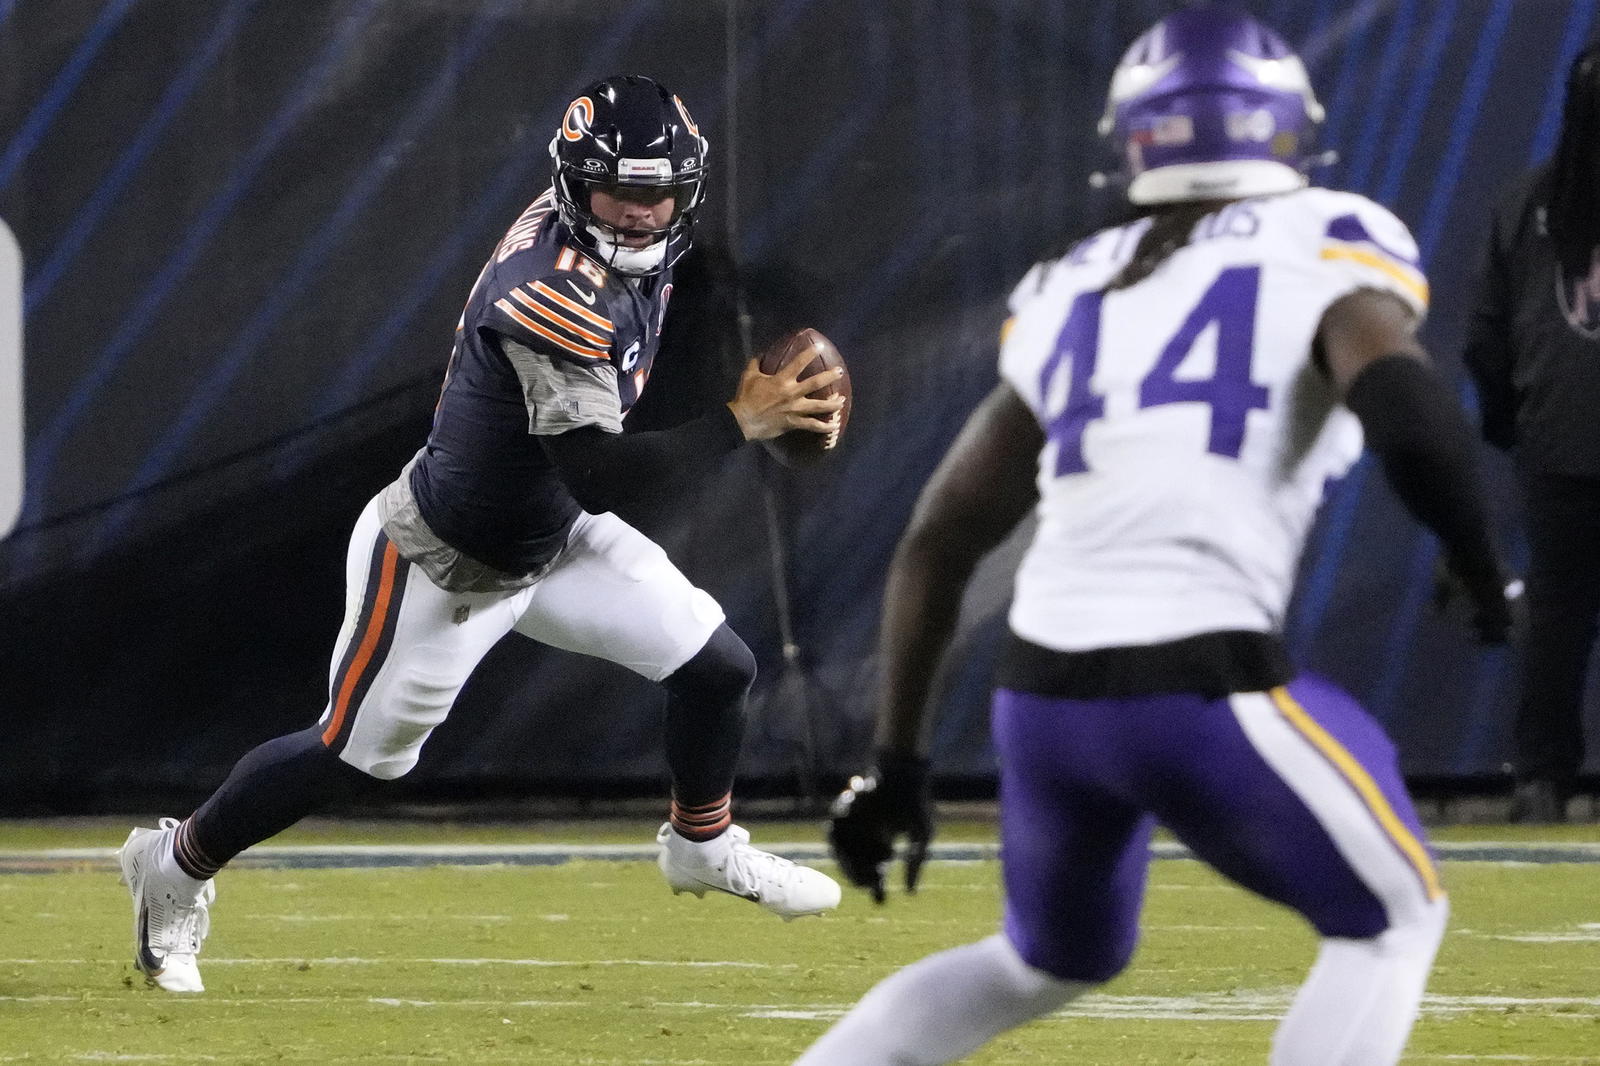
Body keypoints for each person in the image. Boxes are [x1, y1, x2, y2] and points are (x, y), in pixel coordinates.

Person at [800, 9, 1515, 1065]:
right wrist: (1477, 564)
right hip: (1198, 690)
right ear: (1283, 128)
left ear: (1135, 135)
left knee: (1044, 959)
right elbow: (1410, 417)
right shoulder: (1326, 238)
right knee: (1392, 920)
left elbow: (941, 537)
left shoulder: (1074, 280)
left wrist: (897, 766)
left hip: (1041, 704)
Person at [116, 74, 843, 994]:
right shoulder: (550, 290)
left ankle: (701, 843)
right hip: (444, 560)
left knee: (717, 666)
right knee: (354, 752)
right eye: (619, 191)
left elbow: (584, 480)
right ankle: (174, 865)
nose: (640, 213)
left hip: (555, 535)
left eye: (658, 192)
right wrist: (744, 419)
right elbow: (605, 469)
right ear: (576, 187)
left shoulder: (614, 243)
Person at [1464, 44, 1600, 824]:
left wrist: (1513, 424)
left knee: (1558, 613)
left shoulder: (1526, 201)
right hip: (1556, 440)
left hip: (1558, 443)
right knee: (1556, 613)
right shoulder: (1526, 201)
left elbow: (1486, 339)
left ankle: (1541, 781)